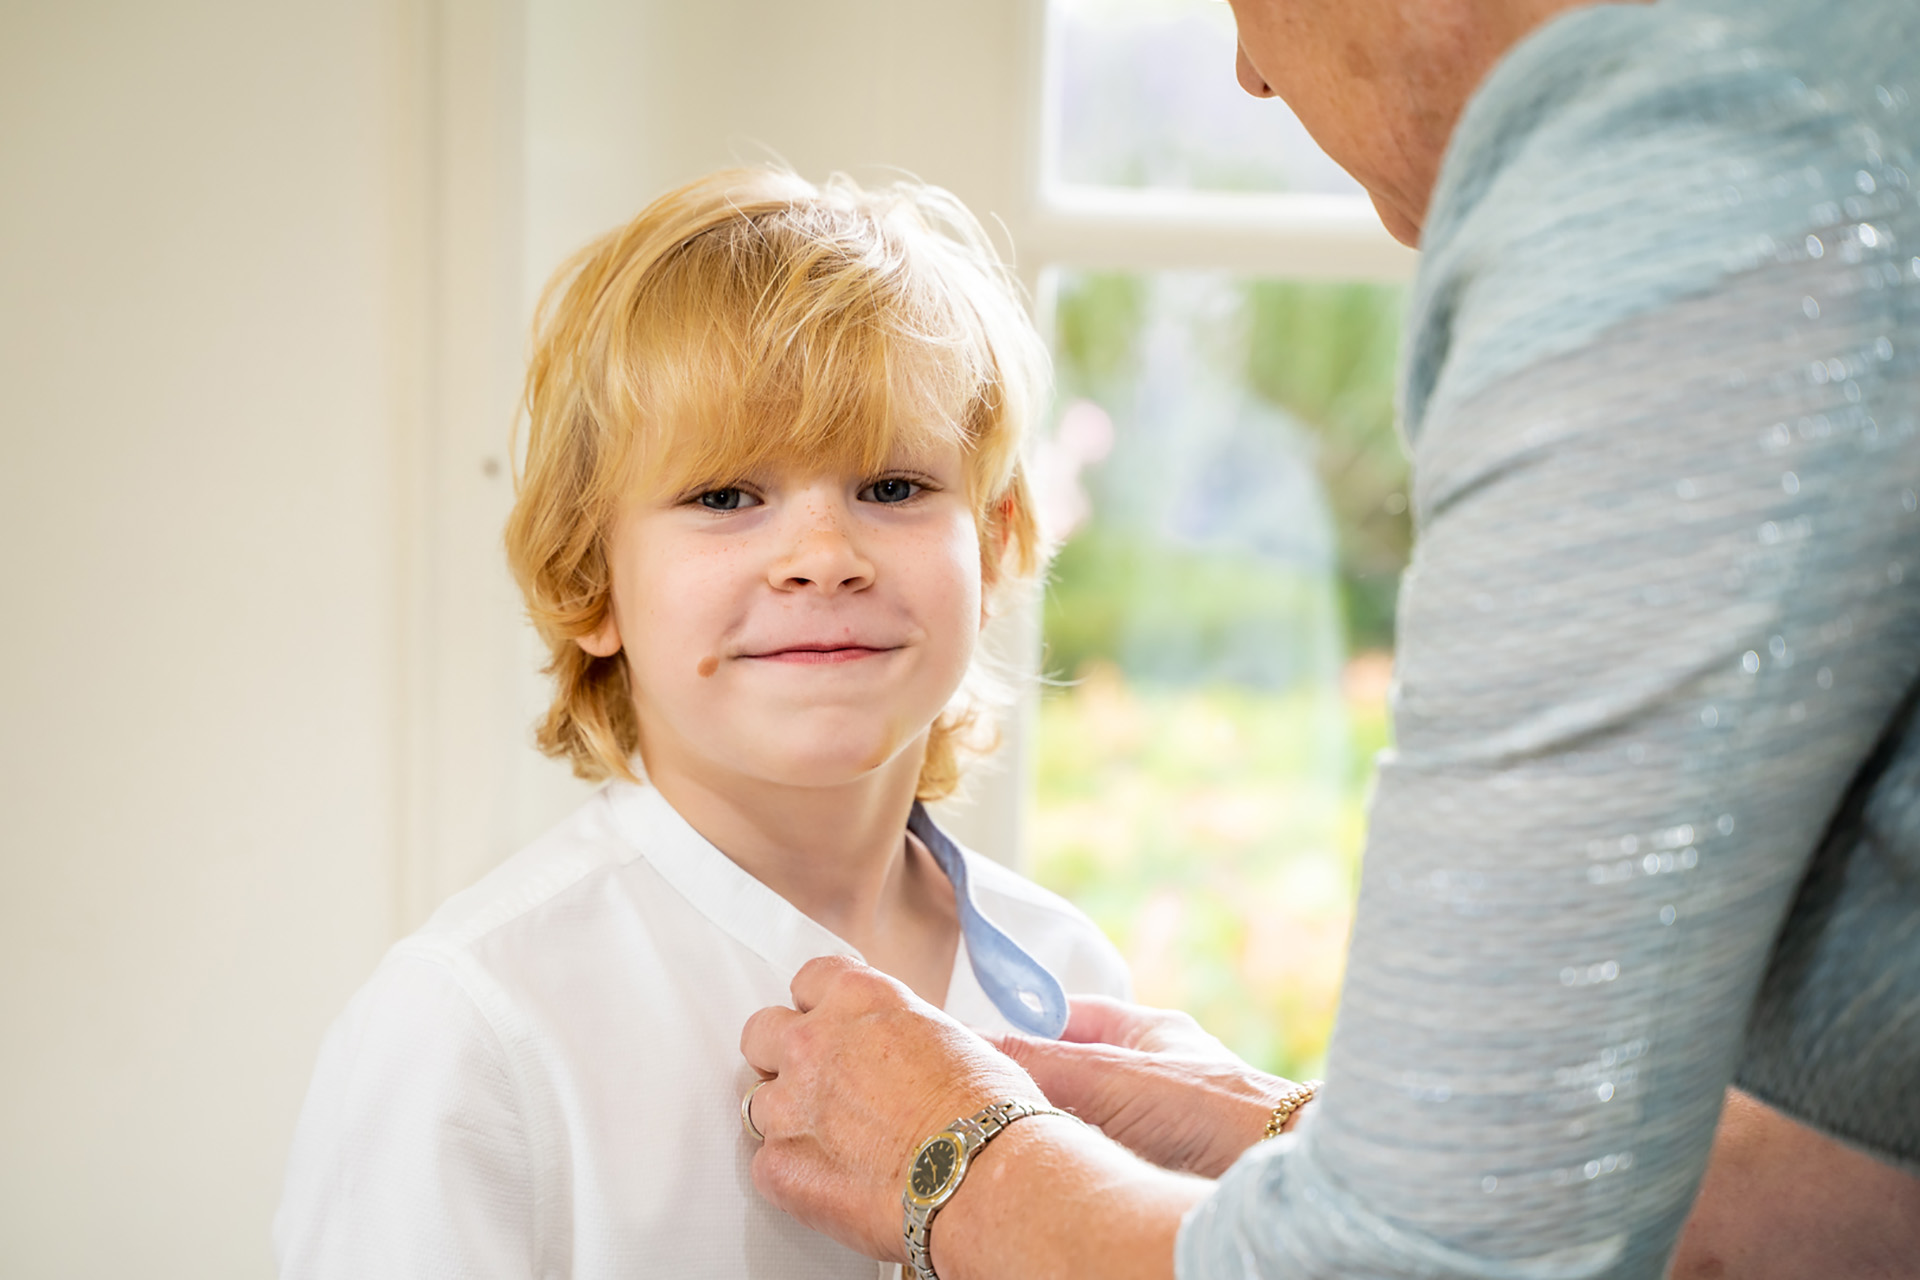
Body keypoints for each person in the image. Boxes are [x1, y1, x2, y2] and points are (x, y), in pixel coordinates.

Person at [738, 0, 1920, 1276]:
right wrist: (1291, 1143)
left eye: (898, 487)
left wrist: (956, 1164)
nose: (1245, 71)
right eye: (725, 497)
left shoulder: (1704, 159)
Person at [271, 167, 1131, 1279]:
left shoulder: (1076, 985)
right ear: (589, 580)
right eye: (727, 496)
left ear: (1000, 539)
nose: (825, 555)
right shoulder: (471, 1028)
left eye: (896, 485)